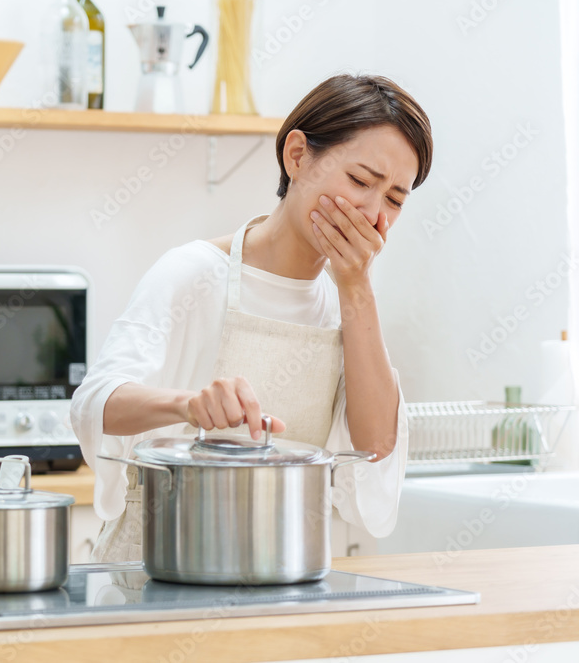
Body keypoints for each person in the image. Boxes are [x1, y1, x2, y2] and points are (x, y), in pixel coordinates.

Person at [70, 73, 433, 564]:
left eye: (394, 199)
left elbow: (375, 445)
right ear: (298, 156)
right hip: (158, 567)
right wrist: (186, 406)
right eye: (361, 181)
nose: (372, 213)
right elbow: (95, 402)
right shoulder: (195, 271)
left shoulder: (347, 304)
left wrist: (356, 287)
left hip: (283, 570)